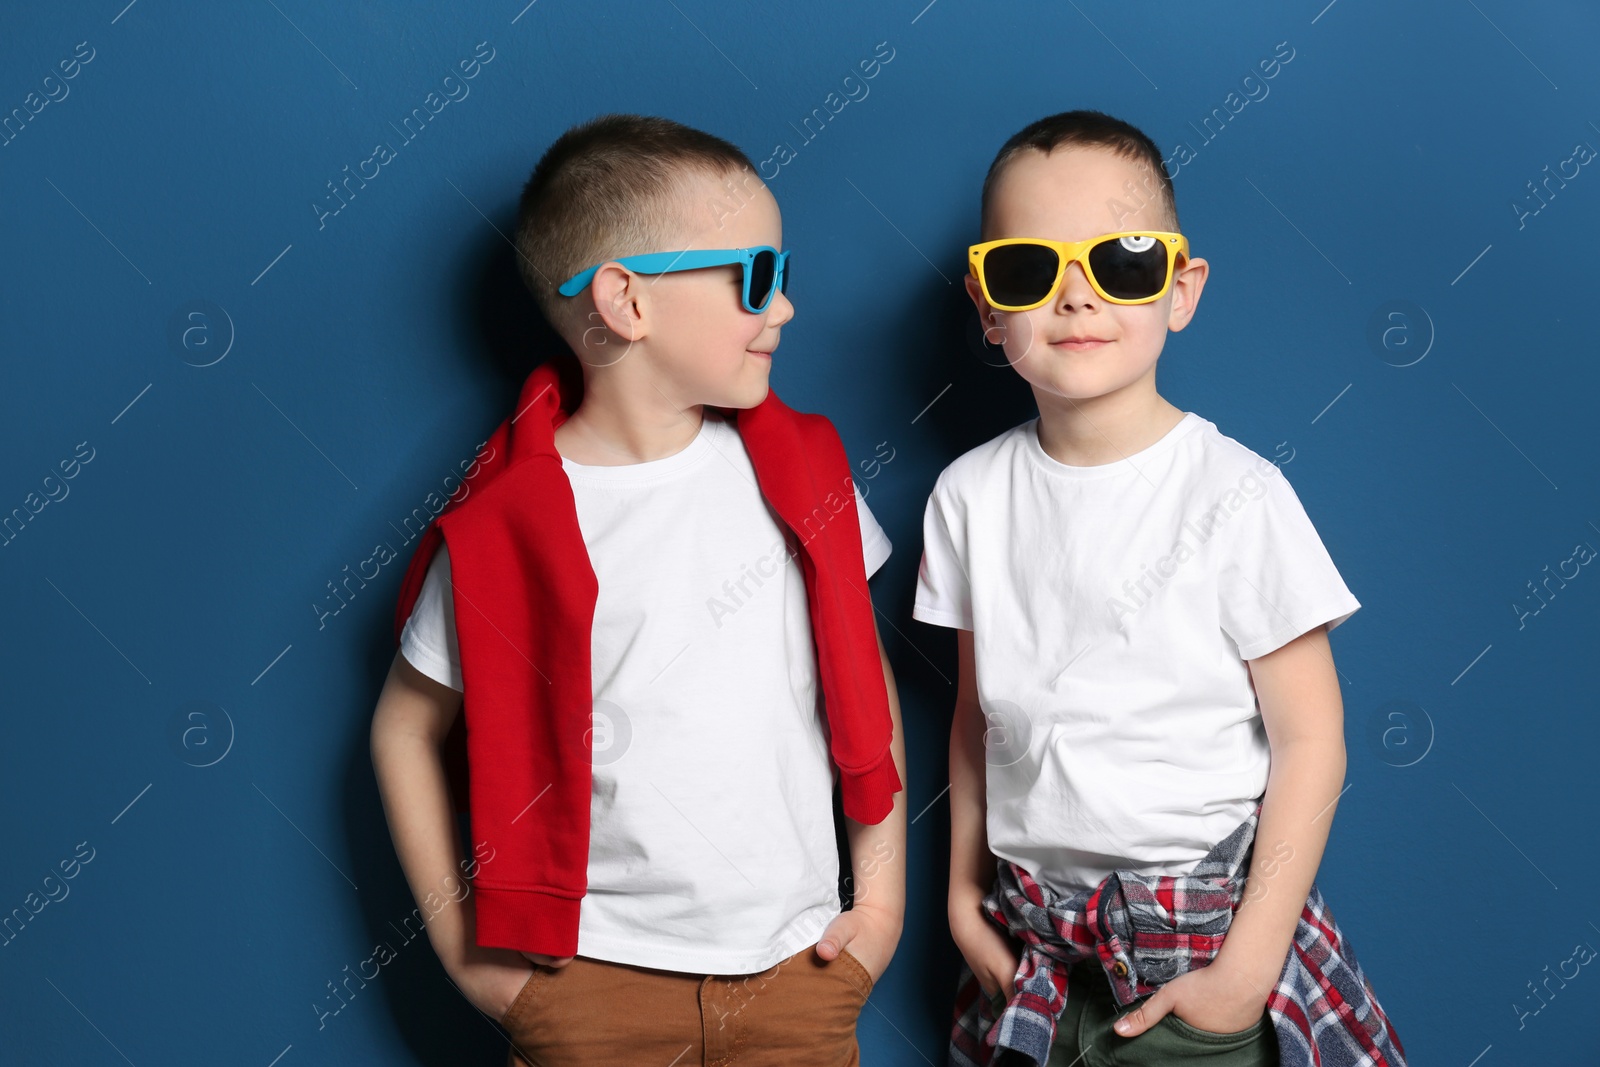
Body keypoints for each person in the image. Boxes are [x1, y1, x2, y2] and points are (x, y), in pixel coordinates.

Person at [369, 113, 906, 1067]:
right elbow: (403, 727)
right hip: (588, 983)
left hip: (798, 966)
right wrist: (465, 953)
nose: (783, 309)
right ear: (624, 299)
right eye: (756, 278)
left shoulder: (807, 473)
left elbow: (861, 673)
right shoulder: (504, 528)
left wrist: (883, 901)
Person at [913, 110, 1406, 1067]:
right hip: (1035, 951)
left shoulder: (1237, 492)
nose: (1075, 298)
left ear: (1181, 290)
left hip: (1208, 940)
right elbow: (977, 718)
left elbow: (1313, 739)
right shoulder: (968, 495)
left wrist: (1247, 971)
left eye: (1121, 262)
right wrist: (959, 903)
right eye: (1029, 269)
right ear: (985, 304)